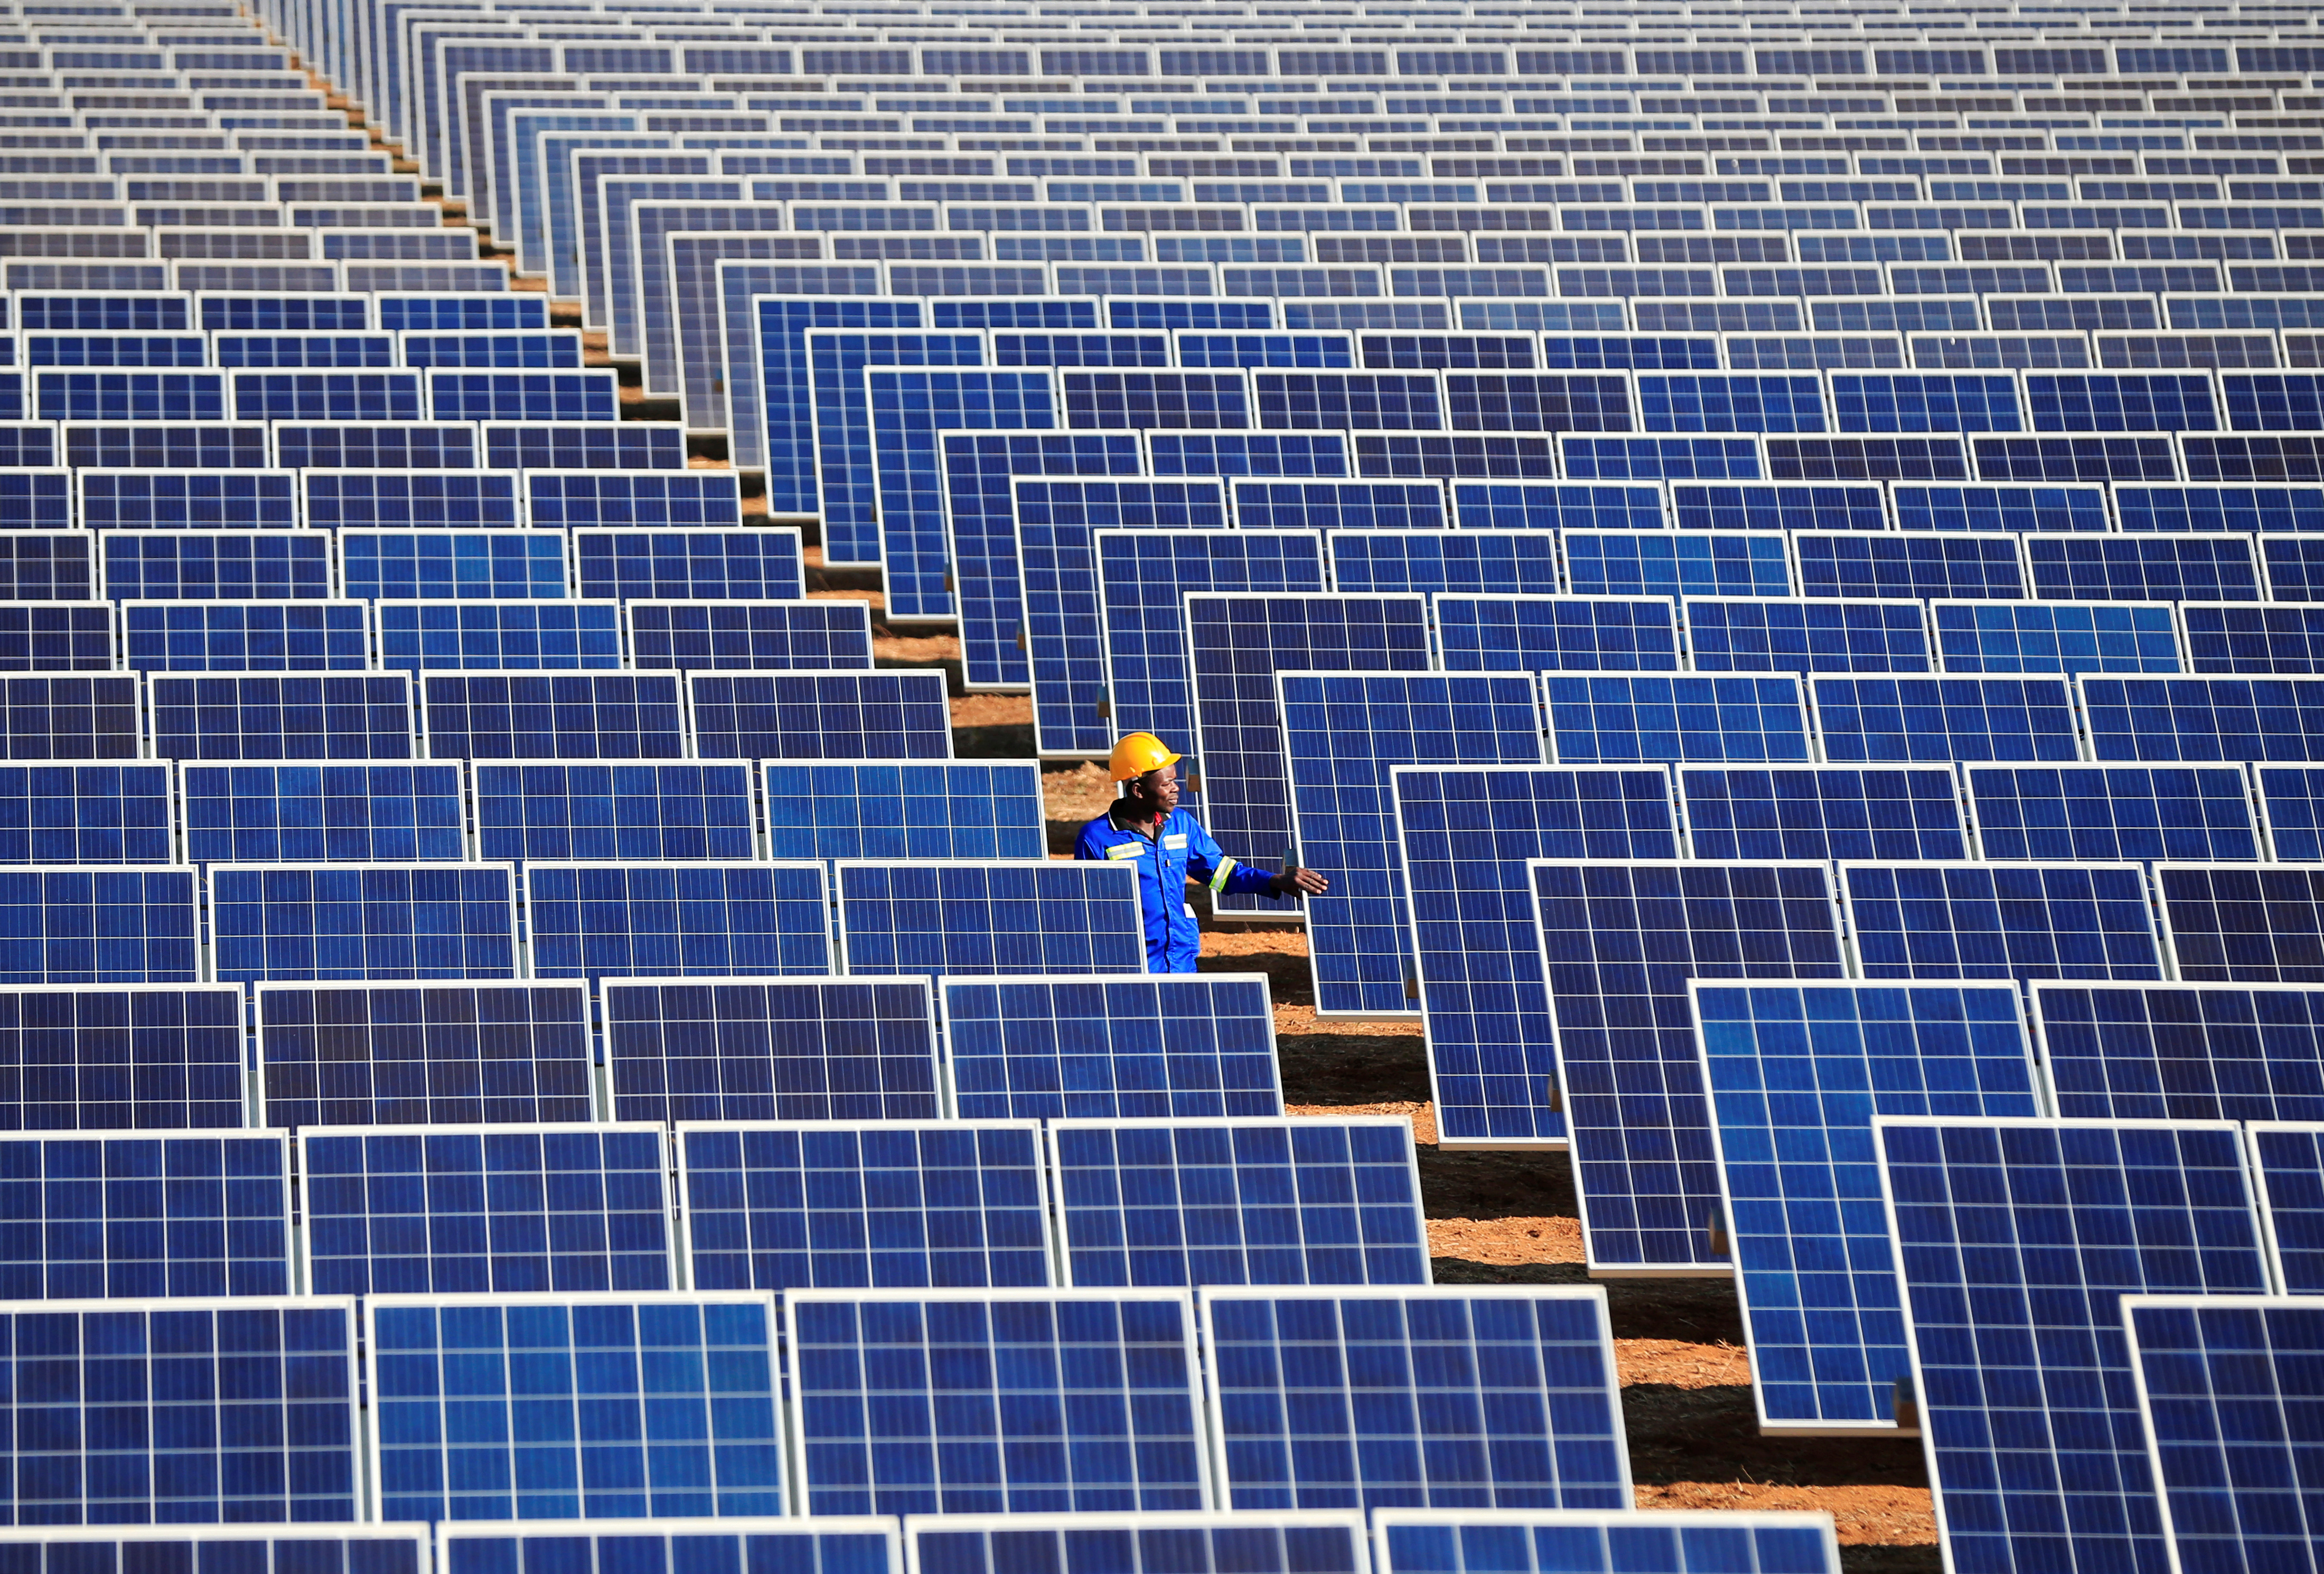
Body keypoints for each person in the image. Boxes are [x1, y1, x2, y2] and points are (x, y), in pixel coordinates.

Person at [1074, 732, 1329, 974]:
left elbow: (1221, 872)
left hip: (1180, 961)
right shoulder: (1097, 838)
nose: (1176, 788)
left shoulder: (1181, 825)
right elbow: (1085, 913)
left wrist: (1273, 881)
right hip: (1132, 965)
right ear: (1139, 791)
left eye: (1175, 780)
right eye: (1167, 783)